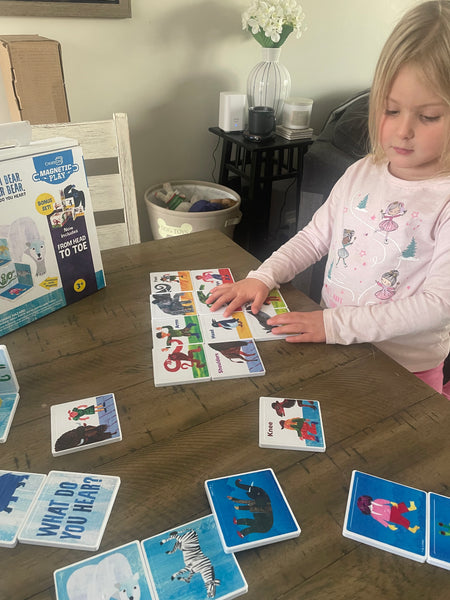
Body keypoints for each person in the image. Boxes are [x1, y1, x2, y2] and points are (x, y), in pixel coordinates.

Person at [207, 1, 450, 397]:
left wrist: (332, 324)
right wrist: (263, 276)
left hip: (406, 371)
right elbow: (314, 237)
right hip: (335, 346)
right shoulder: (362, 171)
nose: (403, 130)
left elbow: (438, 304)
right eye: (391, 110)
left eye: (428, 117)